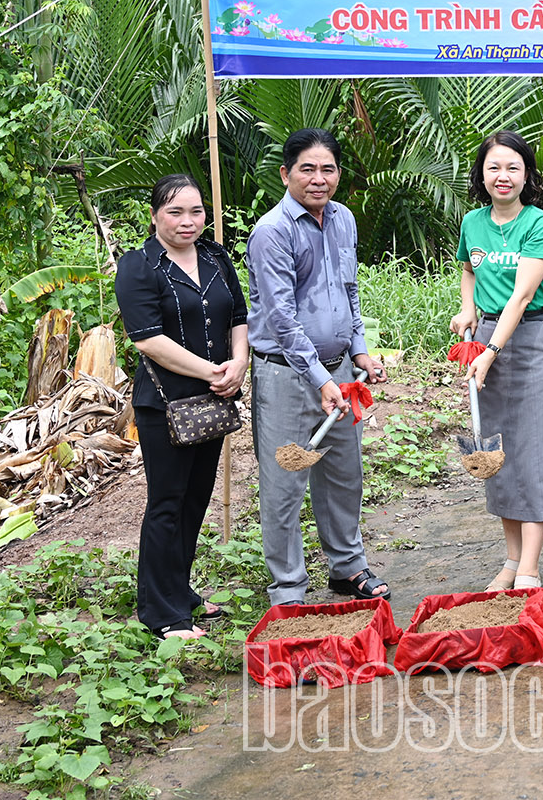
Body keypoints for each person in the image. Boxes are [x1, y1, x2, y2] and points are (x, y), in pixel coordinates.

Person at [247, 128, 389, 607]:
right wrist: (322, 379)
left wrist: (361, 351)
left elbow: (349, 292)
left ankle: (347, 569)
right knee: (285, 482)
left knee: (344, 476)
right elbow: (281, 319)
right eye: (307, 168)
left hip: (341, 372)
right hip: (286, 376)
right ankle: (288, 590)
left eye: (327, 168)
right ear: (285, 174)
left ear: (338, 175)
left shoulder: (344, 220)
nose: (318, 178)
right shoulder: (272, 231)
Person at [114, 174, 249, 640]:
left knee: (195, 501)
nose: (187, 221)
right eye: (175, 212)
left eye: (196, 211)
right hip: (165, 403)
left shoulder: (215, 256)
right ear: (154, 216)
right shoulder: (139, 266)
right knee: (166, 504)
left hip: (213, 399)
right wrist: (211, 371)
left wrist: (238, 363)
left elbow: (238, 316)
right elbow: (148, 339)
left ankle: (180, 590)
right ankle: (161, 612)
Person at [450, 131, 543, 591]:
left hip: (531, 340)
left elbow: (521, 297)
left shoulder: (539, 224)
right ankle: (510, 559)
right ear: (482, 173)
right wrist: (466, 309)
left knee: (534, 451)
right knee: (495, 450)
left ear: (527, 175)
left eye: (513, 167)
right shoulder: (473, 223)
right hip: (486, 337)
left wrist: (492, 351)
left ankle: (529, 569)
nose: (503, 176)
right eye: (494, 167)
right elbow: (468, 269)